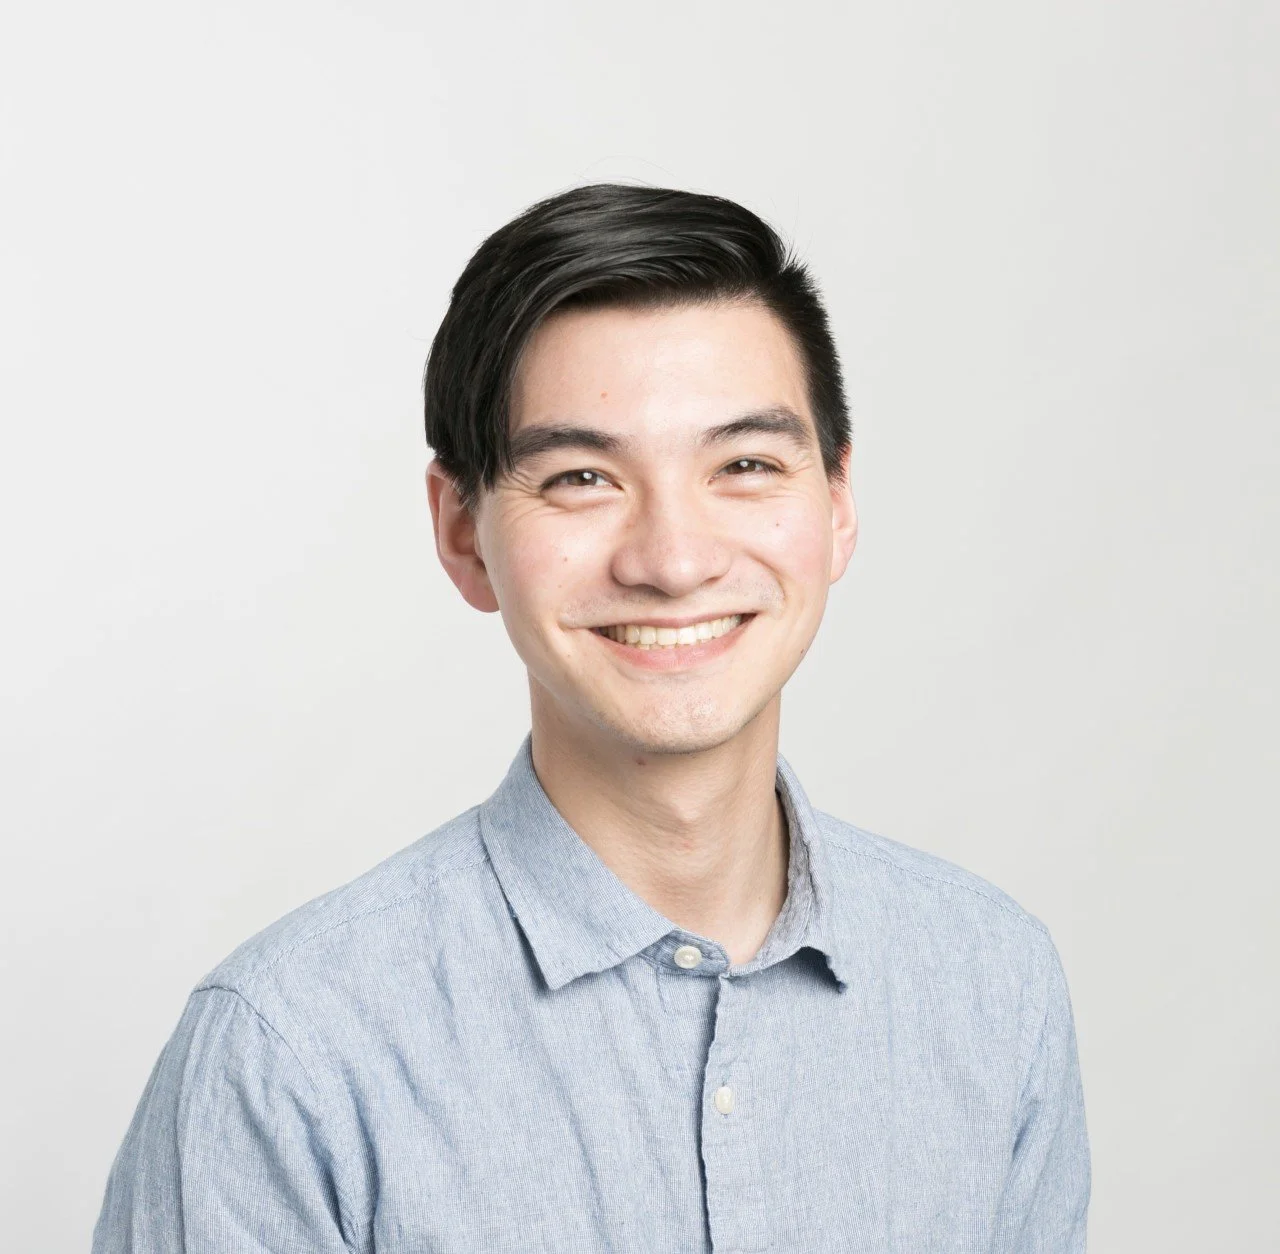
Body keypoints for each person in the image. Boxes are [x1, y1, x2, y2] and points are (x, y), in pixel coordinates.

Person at [93, 184, 1090, 1252]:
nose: (672, 559)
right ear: (463, 533)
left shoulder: (989, 984)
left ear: (835, 505)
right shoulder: (290, 1049)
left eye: (744, 466)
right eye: (580, 477)